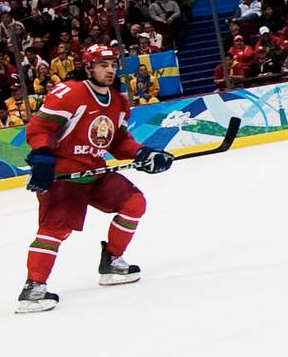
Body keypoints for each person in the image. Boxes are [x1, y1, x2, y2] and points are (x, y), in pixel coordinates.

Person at [16, 43, 173, 313]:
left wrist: (143, 153)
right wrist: (42, 155)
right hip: (65, 175)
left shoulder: (119, 101)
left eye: (113, 65)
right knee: (54, 231)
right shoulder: (71, 93)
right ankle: (33, 288)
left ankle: (112, 261)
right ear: (88, 67)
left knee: (134, 203)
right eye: (103, 65)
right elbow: (40, 128)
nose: (110, 70)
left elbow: (119, 141)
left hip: (95, 171)